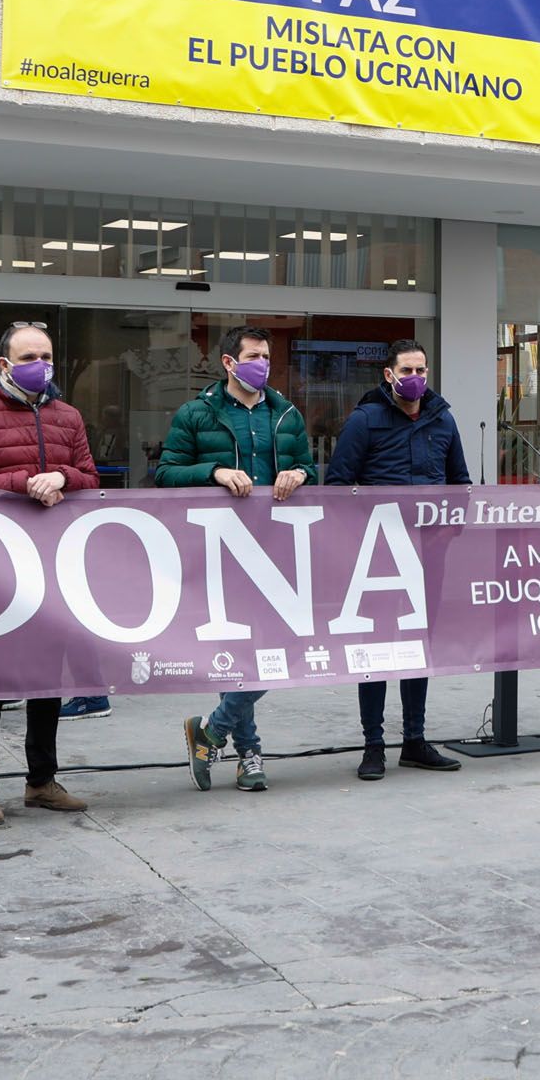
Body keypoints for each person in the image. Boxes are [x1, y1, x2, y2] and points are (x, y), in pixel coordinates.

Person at [0, 322, 99, 824]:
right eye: (30, 357)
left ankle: (41, 781)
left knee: (47, 678)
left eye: (47, 356)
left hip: (53, 562)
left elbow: (89, 477)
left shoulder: (68, 416)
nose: (41, 365)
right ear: (6, 364)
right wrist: (26, 482)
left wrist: (62, 476)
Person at [159, 326, 316, 794]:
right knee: (240, 653)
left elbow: (309, 467)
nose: (262, 364)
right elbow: (165, 472)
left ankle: (211, 731)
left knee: (281, 650)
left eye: (266, 356)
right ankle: (249, 755)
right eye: (253, 357)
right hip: (218, 549)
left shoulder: (286, 414)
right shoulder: (196, 413)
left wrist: (299, 473)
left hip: (275, 550)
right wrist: (215, 471)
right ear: (229, 362)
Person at [325, 339, 470, 781]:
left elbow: (460, 485)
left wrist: (446, 532)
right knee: (374, 650)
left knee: (417, 646)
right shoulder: (365, 420)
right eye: (407, 370)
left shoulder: (443, 419)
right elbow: (338, 486)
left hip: (428, 556)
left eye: (421, 370)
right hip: (378, 560)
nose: (416, 378)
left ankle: (414, 741)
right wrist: (361, 538)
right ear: (388, 375)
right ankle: (373, 746)